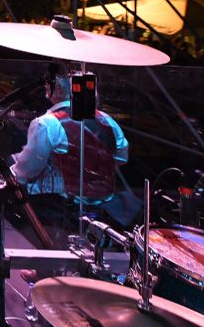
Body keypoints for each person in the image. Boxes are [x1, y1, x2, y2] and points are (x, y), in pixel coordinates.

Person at [10, 66, 129, 247]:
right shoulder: (108, 121)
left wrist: (12, 169)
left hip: (61, 207)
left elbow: (27, 170)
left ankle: (43, 253)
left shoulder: (46, 123)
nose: (45, 86)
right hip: (104, 205)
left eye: (50, 83)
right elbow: (121, 157)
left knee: (9, 185)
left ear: (58, 89)